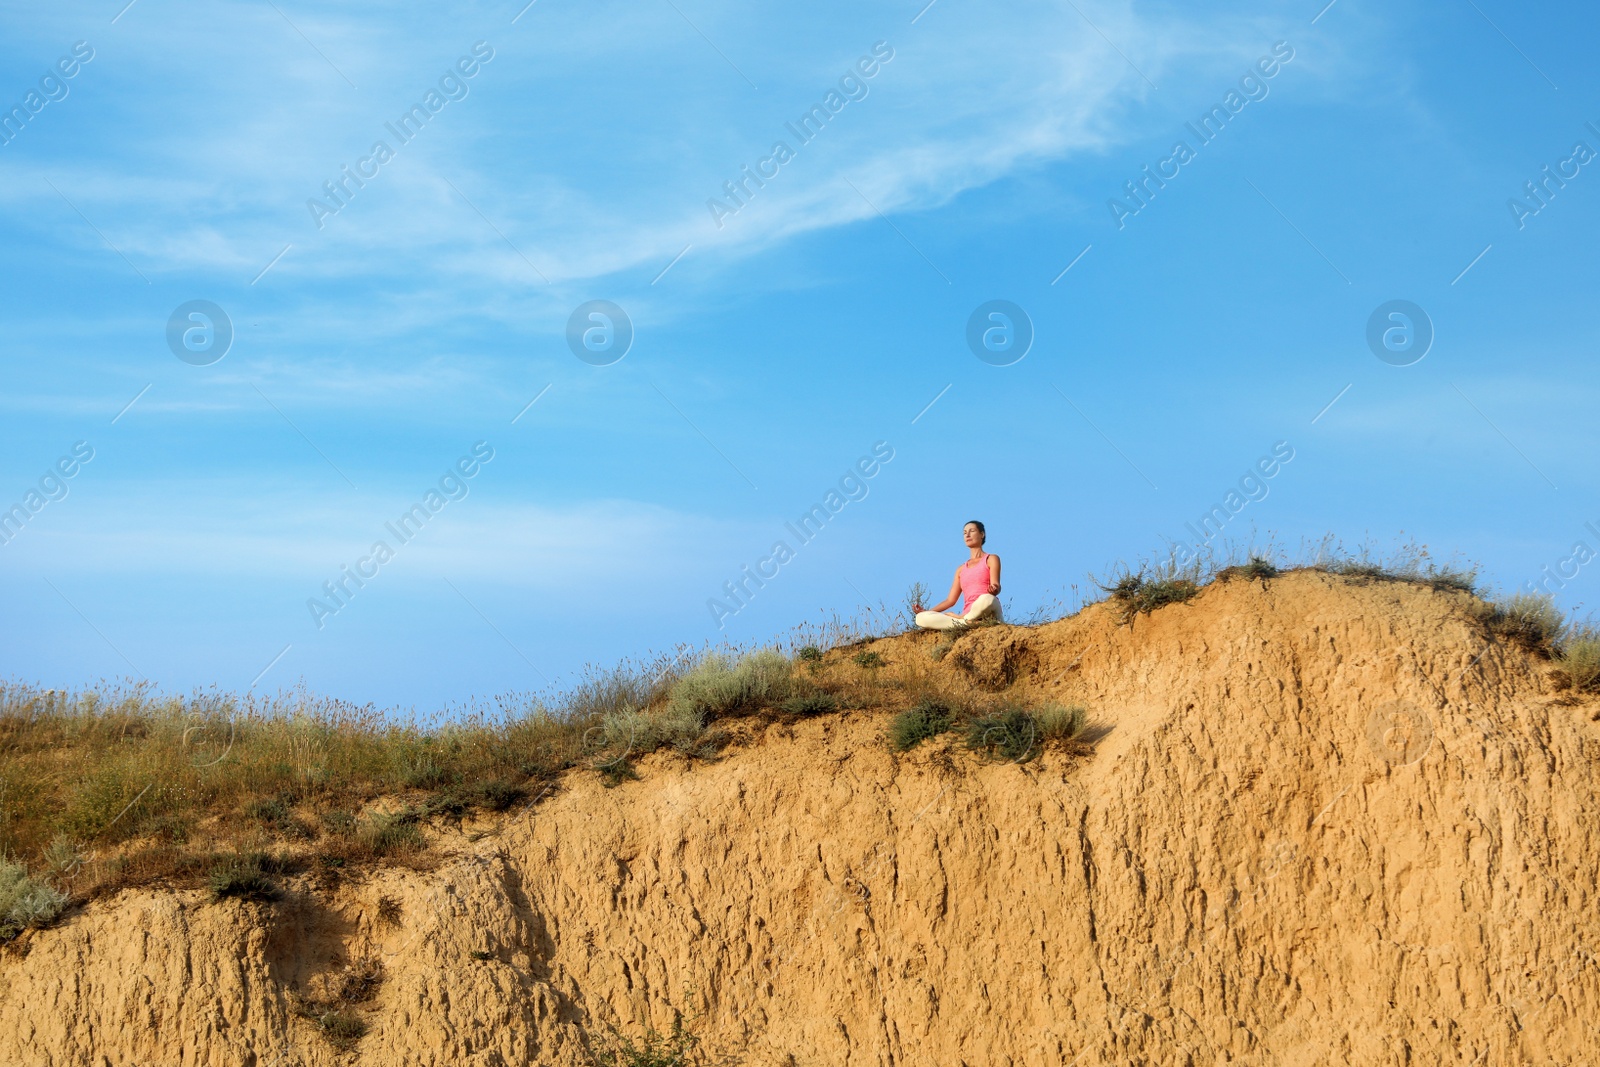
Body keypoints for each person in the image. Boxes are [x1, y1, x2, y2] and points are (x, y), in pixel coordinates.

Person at [913, 520, 1002, 631]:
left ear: (982, 534)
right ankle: (969, 622)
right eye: (965, 533)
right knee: (920, 618)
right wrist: (928, 611)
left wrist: (994, 589)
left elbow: (996, 585)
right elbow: (950, 600)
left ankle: (963, 620)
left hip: (988, 608)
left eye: (972, 531)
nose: (967, 535)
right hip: (969, 615)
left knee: (986, 599)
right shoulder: (961, 569)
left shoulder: (991, 559)